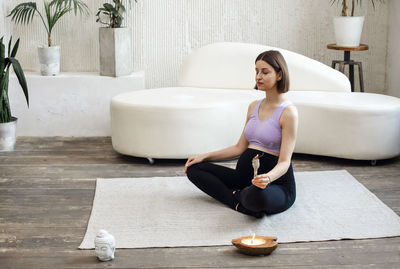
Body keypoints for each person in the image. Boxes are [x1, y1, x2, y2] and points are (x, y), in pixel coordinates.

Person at [185, 50, 298, 218]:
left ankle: (243, 197)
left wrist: (267, 178)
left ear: (279, 74)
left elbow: (284, 162)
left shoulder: (288, 113)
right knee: (193, 169)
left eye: (265, 72)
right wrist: (204, 156)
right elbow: (239, 148)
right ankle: (237, 202)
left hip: (275, 183)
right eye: (256, 71)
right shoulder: (253, 106)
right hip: (243, 177)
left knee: (258, 196)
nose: (258, 76)